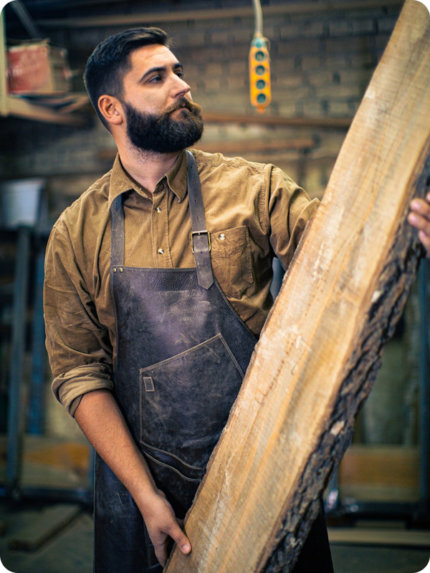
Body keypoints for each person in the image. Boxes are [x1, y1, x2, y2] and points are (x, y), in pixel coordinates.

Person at [43, 27, 430, 573]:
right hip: (140, 496)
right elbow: (79, 373)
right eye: (158, 77)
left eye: (179, 70)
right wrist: (147, 497)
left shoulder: (253, 189)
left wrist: (407, 223)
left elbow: (347, 248)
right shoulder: (74, 233)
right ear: (113, 107)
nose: (182, 85)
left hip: (262, 483)